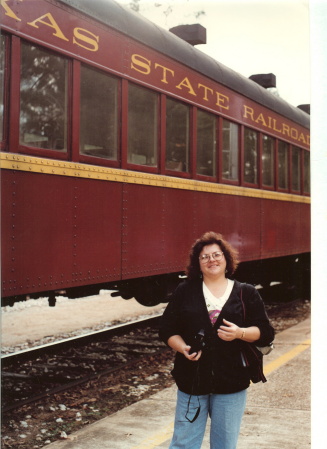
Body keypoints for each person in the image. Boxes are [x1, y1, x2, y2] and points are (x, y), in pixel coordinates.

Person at [159, 231, 275, 449]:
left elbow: (266, 332)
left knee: (224, 445)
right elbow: (166, 330)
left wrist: (239, 333)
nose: (211, 260)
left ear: (226, 258)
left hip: (232, 383)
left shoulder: (245, 292)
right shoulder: (185, 291)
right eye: (204, 257)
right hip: (191, 381)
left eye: (216, 255)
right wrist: (183, 348)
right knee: (184, 443)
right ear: (197, 264)